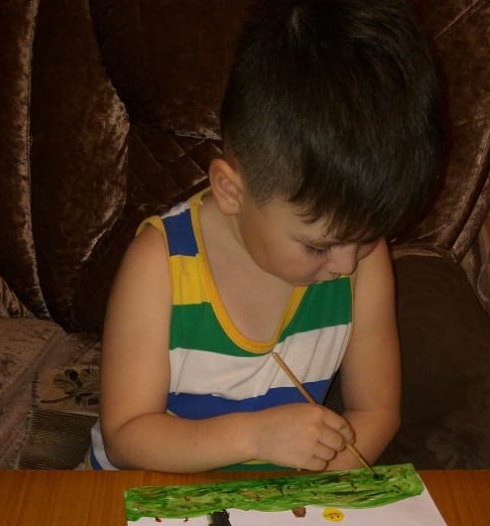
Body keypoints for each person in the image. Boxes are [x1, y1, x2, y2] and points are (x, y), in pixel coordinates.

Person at [87, 0, 442, 473]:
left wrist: (315, 489)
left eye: (368, 237)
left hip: (277, 506)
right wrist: (254, 437)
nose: (345, 266)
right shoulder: (160, 263)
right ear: (231, 191)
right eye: (318, 246)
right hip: (145, 494)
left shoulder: (362, 262)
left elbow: (376, 412)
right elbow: (126, 437)